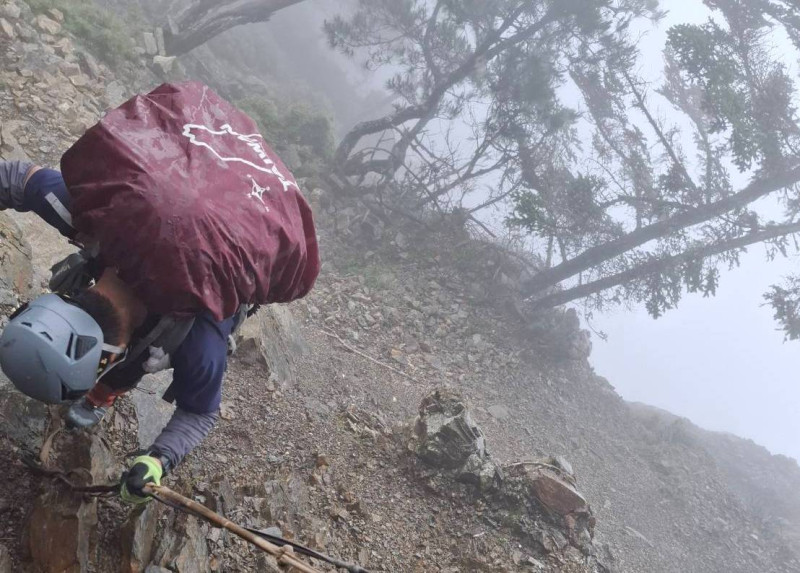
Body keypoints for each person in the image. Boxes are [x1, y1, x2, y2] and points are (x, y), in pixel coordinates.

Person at [0, 157, 311, 503]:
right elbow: (20, 180)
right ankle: (99, 396)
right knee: (134, 355)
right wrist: (156, 459)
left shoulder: (201, 336)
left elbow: (201, 412)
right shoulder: (101, 222)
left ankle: (99, 397)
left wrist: (159, 459)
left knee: (134, 362)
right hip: (205, 196)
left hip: (222, 239)